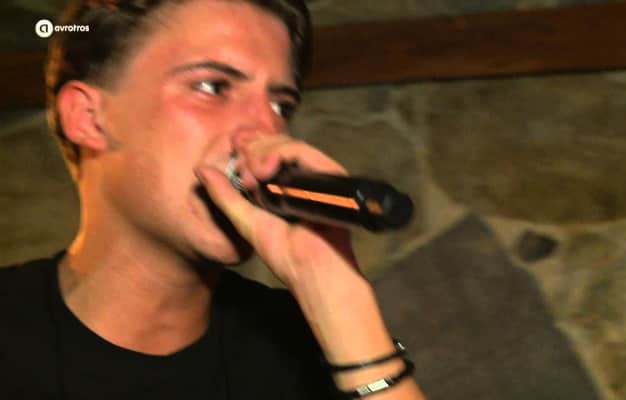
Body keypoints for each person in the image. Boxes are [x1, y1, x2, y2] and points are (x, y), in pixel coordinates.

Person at [0, 0, 425, 399]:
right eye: (212, 86)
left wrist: (339, 297)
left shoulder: (309, 350)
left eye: (281, 105)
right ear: (89, 119)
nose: (265, 129)